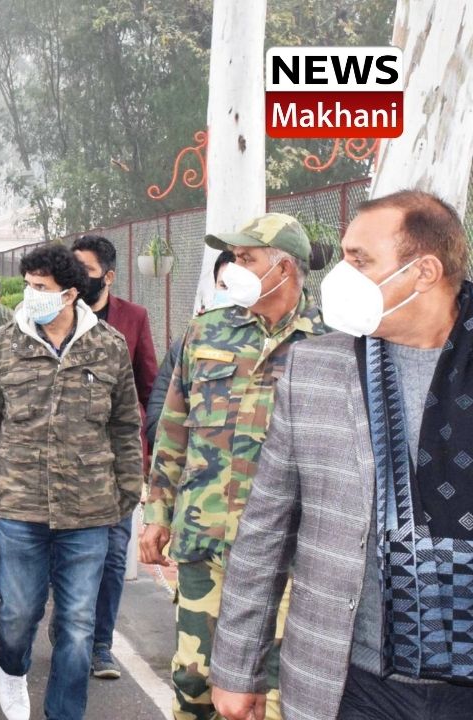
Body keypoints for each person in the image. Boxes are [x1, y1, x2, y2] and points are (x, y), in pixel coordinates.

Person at [211, 190, 473, 720]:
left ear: (424, 272)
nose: (341, 276)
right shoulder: (316, 367)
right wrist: (237, 668)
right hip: (350, 678)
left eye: (360, 260)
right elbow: (266, 528)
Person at [139, 212, 326, 720]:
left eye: (248, 258)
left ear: (284, 269)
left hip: (286, 552)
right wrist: (157, 513)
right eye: (235, 258)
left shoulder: (330, 343)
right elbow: (173, 429)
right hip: (205, 538)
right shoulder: (207, 332)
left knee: (267, 691)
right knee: (193, 680)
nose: (234, 268)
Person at [0, 244, 142, 720]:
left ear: (69, 294)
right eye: (27, 285)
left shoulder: (107, 346)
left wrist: (127, 493)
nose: (30, 295)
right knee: (17, 614)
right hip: (21, 506)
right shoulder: (4, 344)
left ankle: (64, 712)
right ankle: (13, 669)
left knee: (78, 624)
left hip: (89, 510)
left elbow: (125, 425)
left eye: (40, 287)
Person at [70, 234, 158, 680]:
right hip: (66, 461)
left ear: (107, 276)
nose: (76, 278)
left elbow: (150, 387)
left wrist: (150, 453)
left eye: (85, 270)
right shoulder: (56, 315)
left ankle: (100, 645)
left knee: (112, 555)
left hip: (117, 462)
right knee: (67, 556)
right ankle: (70, 628)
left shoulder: (133, 318)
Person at [144, 251, 234, 448]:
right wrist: (194, 455)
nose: (230, 294)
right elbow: (156, 420)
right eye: (223, 286)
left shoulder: (274, 347)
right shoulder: (190, 343)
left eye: (237, 286)